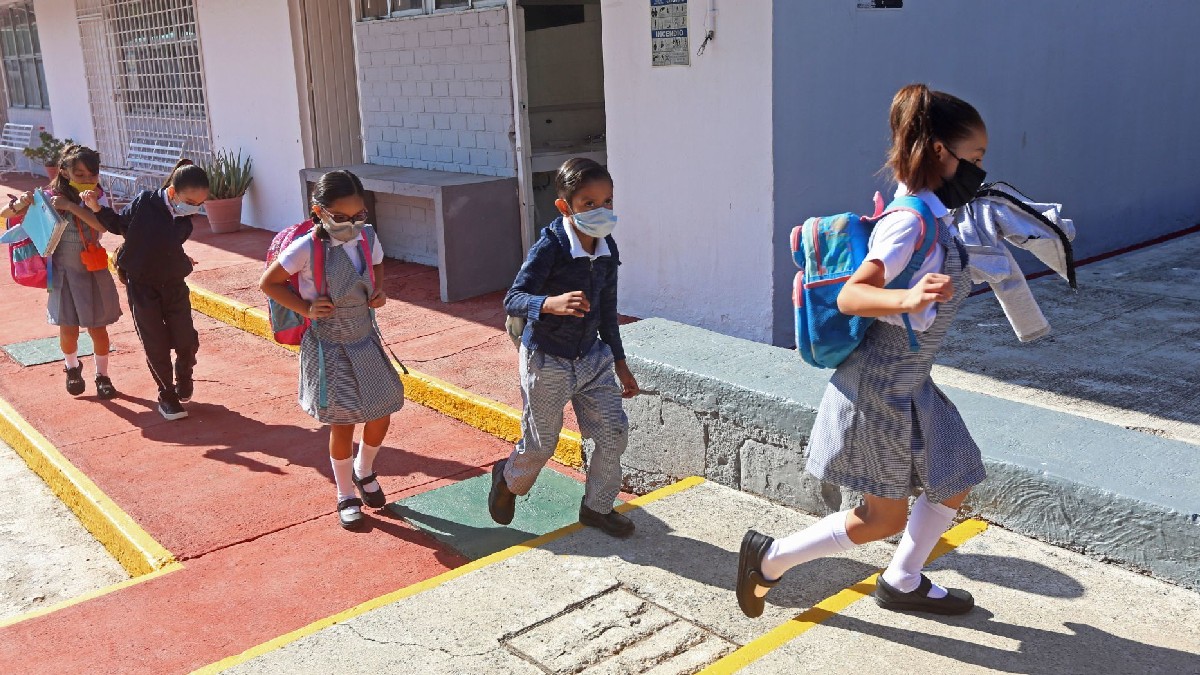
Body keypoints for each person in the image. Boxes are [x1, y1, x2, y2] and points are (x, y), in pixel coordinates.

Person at [737, 83, 991, 617]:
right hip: (878, 386)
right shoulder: (909, 220)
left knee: (957, 476)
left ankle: (902, 579)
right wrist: (908, 296)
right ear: (941, 152)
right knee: (882, 519)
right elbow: (853, 294)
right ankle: (769, 560)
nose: (980, 169)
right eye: (976, 157)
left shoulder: (933, 210)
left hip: (912, 381)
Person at [491, 158, 640, 537]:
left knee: (612, 433)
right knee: (541, 445)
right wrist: (548, 304)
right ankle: (508, 479)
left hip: (592, 358)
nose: (601, 210)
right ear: (565, 206)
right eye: (589, 204)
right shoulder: (551, 246)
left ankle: (597, 508)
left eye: (607, 201)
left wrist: (620, 363)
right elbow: (513, 298)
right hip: (547, 359)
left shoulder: (608, 249)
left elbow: (608, 311)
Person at [259, 170, 403, 530]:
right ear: (318, 212)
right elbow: (269, 282)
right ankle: (345, 494)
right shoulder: (306, 247)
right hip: (329, 344)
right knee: (343, 423)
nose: (351, 225)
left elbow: (378, 265)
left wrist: (378, 291)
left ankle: (364, 470)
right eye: (340, 218)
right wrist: (305, 309)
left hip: (365, 338)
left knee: (382, 409)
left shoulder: (367, 238)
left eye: (359, 216)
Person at [90, 159, 207, 420]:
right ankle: (167, 395)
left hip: (174, 283)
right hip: (141, 284)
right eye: (192, 202)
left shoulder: (185, 221)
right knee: (155, 341)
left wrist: (180, 258)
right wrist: (97, 208)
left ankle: (184, 374)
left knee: (186, 339)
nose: (195, 209)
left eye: (200, 204)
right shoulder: (145, 202)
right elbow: (121, 226)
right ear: (174, 193)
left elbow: (167, 245)